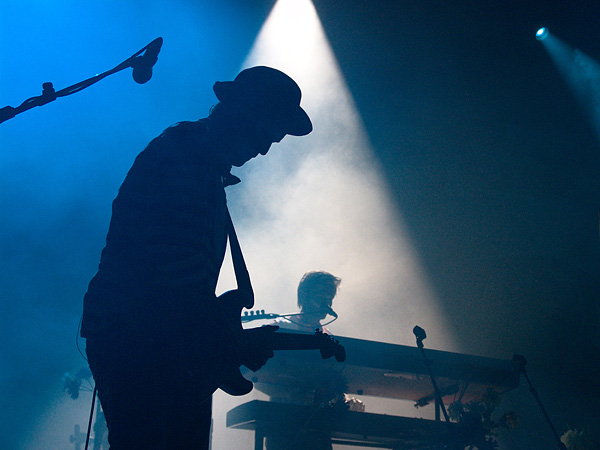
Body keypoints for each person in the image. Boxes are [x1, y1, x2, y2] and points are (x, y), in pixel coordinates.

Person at [80, 66, 313, 450]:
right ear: (243, 113)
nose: (267, 147)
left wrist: (224, 340)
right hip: (138, 336)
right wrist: (225, 340)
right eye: (268, 131)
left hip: (157, 339)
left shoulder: (202, 165)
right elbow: (173, 264)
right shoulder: (185, 154)